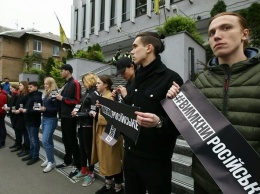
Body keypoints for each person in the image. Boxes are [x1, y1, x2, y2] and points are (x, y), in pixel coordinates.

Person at [166, 12, 260, 194]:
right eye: (211, 33)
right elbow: (183, 130)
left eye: (226, 27)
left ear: (245, 34)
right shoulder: (199, 82)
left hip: (249, 184)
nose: (216, 35)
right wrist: (172, 109)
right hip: (205, 181)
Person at [123, 32, 183, 194]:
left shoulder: (171, 79)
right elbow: (133, 107)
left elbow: (182, 124)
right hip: (130, 154)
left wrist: (159, 122)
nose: (132, 52)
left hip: (155, 161)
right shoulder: (136, 78)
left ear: (149, 48)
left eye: (135, 47)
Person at [92, 75, 124, 194]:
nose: (96, 85)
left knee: (113, 160)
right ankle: (108, 185)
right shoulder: (103, 97)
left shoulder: (111, 97)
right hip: (103, 132)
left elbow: (114, 118)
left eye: (99, 83)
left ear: (106, 85)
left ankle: (118, 188)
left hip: (111, 133)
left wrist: (97, 116)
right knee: (106, 159)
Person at [71, 73, 98, 187]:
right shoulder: (85, 93)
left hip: (88, 126)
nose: (82, 83)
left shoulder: (94, 94)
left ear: (89, 81)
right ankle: (83, 170)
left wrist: (79, 114)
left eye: (84, 81)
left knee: (88, 150)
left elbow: (93, 112)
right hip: (81, 124)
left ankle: (91, 173)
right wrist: (75, 112)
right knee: (82, 148)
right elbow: (80, 106)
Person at [56, 64, 81, 178]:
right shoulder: (66, 84)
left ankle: (77, 165)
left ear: (67, 71)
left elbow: (77, 101)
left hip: (70, 117)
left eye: (62, 70)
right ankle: (67, 160)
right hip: (64, 116)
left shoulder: (75, 83)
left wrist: (63, 99)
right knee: (65, 139)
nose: (60, 72)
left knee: (72, 140)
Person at [20, 81, 42, 165]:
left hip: (34, 121)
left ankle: (35, 156)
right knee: (31, 138)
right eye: (28, 87)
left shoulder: (37, 97)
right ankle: (31, 153)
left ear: (36, 87)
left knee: (34, 139)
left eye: (31, 87)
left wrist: (27, 110)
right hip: (28, 120)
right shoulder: (30, 96)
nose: (29, 88)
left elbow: (37, 110)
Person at [40, 77, 59, 173]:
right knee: (49, 140)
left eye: (47, 84)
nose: (45, 85)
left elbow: (56, 109)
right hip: (45, 118)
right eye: (44, 83)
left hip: (51, 119)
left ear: (51, 84)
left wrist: (45, 109)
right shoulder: (46, 93)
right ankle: (49, 159)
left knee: (45, 141)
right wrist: (42, 108)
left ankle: (51, 162)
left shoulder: (54, 93)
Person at [12, 81, 30, 157]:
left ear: (25, 86)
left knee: (25, 133)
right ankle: (21, 145)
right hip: (19, 115)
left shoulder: (26, 95)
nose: (19, 86)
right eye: (19, 85)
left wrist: (19, 110)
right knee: (20, 131)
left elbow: (26, 106)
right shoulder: (20, 94)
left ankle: (26, 148)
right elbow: (18, 104)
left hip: (23, 117)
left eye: (21, 85)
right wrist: (15, 110)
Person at [2, 84, 19, 149]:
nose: (10, 90)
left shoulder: (16, 95)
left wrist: (10, 108)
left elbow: (16, 105)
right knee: (15, 129)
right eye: (10, 88)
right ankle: (17, 142)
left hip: (15, 114)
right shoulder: (13, 95)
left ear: (15, 88)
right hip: (12, 113)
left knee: (17, 129)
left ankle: (18, 143)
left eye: (11, 88)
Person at [0, 84, 8, 149]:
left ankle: (2, 142)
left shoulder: (2, 95)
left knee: (1, 128)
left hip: (1, 114)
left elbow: (2, 106)